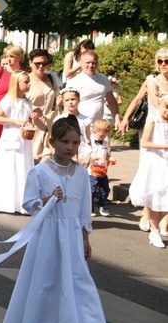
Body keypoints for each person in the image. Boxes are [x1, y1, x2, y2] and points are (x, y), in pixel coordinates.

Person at [0, 118, 108, 323]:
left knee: (76, 280)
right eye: (65, 141)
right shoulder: (40, 171)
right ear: (52, 141)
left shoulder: (80, 173)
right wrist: (47, 199)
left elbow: (84, 209)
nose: (70, 147)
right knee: (45, 280)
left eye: (75, 143)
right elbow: (29, 203)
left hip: (72, 234)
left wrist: (85, 238)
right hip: (48, 234)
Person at [120, 47, 168, 235]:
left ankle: (163, 221)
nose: (163, 64)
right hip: (153, 130)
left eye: (167, 61)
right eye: (160, 61)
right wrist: (125, 118)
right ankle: (147, 215)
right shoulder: (151, 81)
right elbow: (137, 100)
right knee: (152, 174)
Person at [0, 70, 37, 214]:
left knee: (22, 166)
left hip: (24, 139)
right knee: (9, 167)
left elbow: (27, 118)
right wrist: (16, 121)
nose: (29, 85)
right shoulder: (8, 100)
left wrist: (33, 118)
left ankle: (21, 201)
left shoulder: (28, 101)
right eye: (26, 82)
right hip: (11, 136)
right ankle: (4, 201)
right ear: (17, 84)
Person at [129, 96, 168, 248]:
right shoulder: (153, 119)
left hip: (166, 161)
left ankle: (159, 226)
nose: (167, 112)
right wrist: (164, 147)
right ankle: (154, 230)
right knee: (155, 196)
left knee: (165, 199)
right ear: (159, 105)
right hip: (155, 161)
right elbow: (145, 142)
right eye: (166, 107)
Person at [67, 50, 120, 126]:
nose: (91, 65)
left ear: (97, 63)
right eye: (88, 63)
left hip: (98, 127)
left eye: (94, 63)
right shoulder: (74, 82)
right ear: (81, 63)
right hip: (79, 125)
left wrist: (117, 119)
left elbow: (111, 101)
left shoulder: (103, 79)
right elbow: (68, 105)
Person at [26, 49, 59, 161]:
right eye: (37, 63)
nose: (41, 66)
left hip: (50, 125)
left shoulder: (51, 78)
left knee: (48, 161)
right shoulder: (25, 80)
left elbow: (56, 97)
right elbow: (17, 101)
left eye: (44, 63)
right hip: (33, 127)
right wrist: (32, 109)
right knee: (31, 161)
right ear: (30, 63)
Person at [54, 88, 92, 162]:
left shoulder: (85, 119)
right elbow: (55, 138)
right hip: (65, 151)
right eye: (67, 100)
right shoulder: (59, 119)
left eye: (73, 99)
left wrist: (90, 152)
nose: (70, 102)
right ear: (63, 102)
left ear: (79, 100)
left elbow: (88, 138)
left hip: (82, 153)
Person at [86, 119, 112, 218]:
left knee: (105, 189)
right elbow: (85, 153)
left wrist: (109, 160)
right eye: (99, 132)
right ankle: (90, 208)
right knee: (91, 190)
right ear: (94, 130)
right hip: (91, 170)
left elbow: (107, 155)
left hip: (102, 170)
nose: (102, 134)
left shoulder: (105, 143)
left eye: (104, 132)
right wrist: (92, 157)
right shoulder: (90, 141)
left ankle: (101, 205)